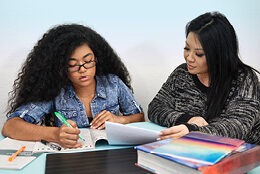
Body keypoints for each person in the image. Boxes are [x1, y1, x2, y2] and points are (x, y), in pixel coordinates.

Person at [2, 24, 144, 148]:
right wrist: (56, 134)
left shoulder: (113, 84)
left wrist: (120, 120)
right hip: (72, 158)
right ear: (60, 67)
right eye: (72, 65)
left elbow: (139, 117)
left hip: (111, 156)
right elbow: (10, 127)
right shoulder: (56, 91)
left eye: (88, 61)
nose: (82, 69)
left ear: (97, 59)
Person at [148, 12, 260, 144]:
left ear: (219, 54)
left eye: (199, 54)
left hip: (239, 157)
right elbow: (156, 107)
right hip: (188, 149)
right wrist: (186, 119)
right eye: (186, 48)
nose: (189, 58)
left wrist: (192, 130)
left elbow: (236, 126)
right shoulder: (182, 73)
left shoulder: (244, 79)